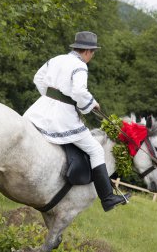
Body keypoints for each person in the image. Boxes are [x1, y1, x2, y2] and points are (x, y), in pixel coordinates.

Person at [23, 31, 130, 212]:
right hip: (62, 117)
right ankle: (108, 198)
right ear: (87, 51)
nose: (92, 56)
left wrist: (51, 97)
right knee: (96, 150)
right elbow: (80, 92)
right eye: (93, 52)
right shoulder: (80, 66)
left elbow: (38, 78)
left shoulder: (56, 59)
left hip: (39, 109)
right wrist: (91, 104)